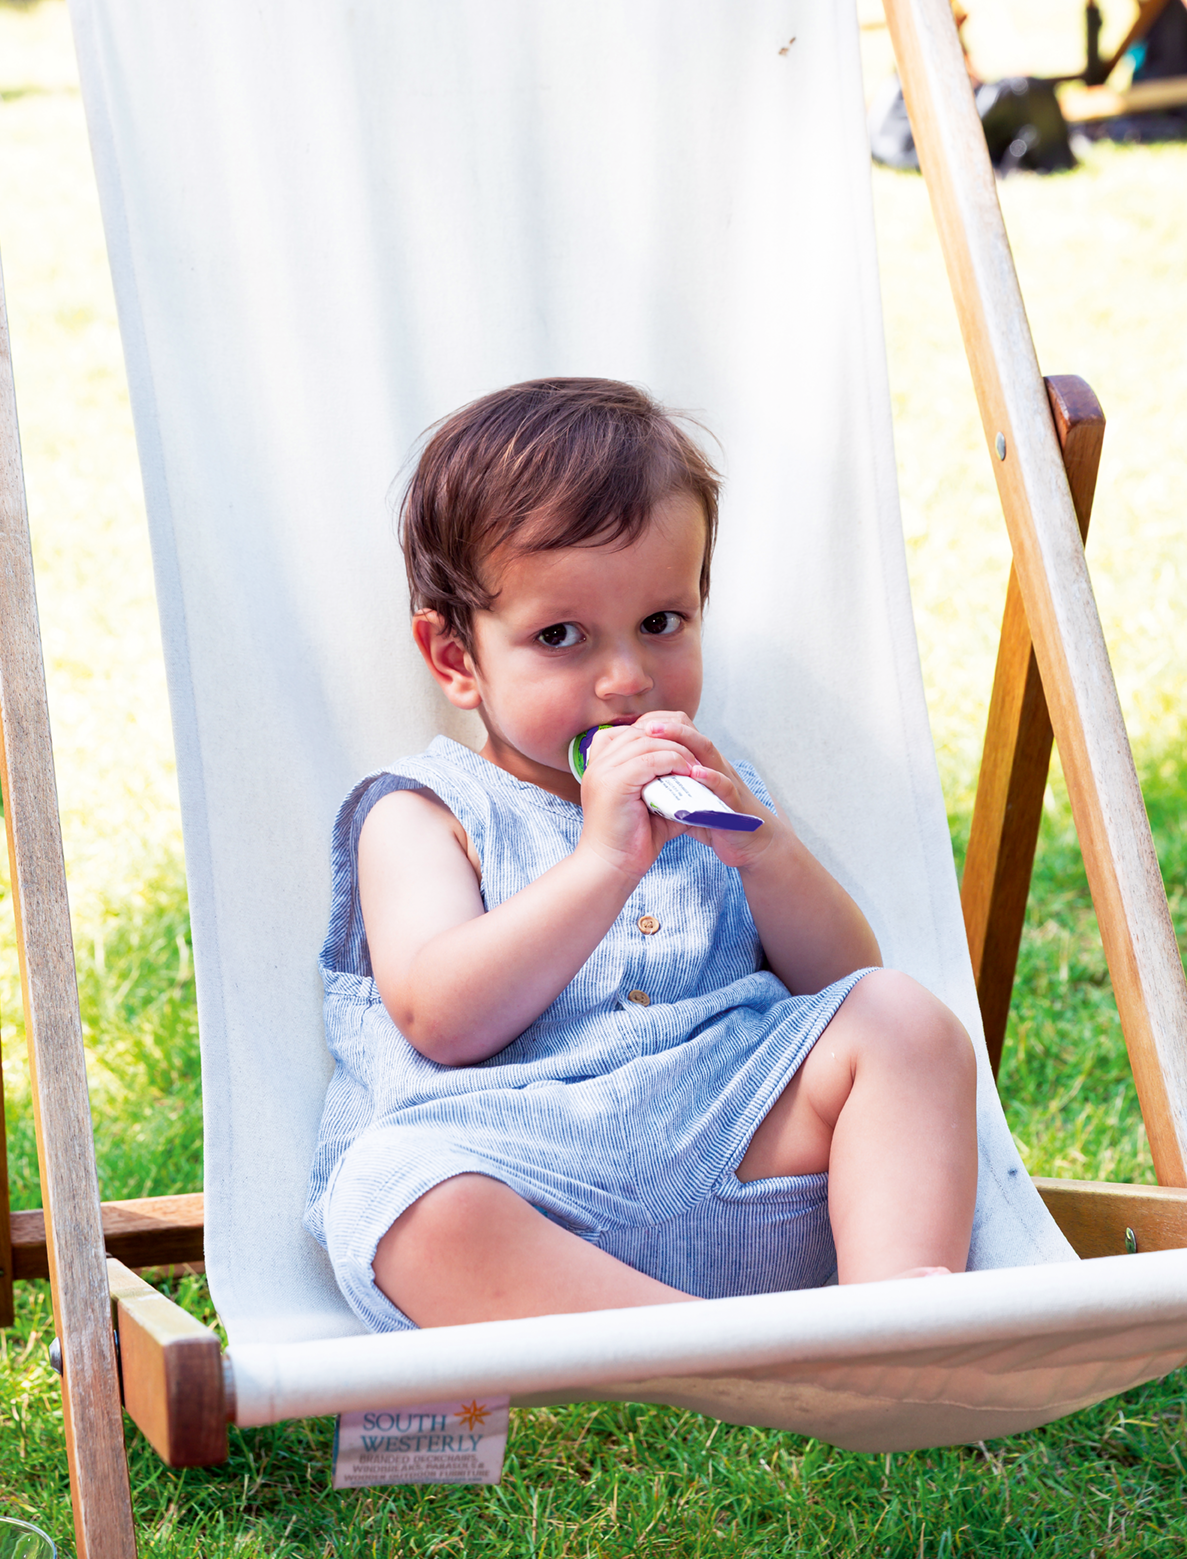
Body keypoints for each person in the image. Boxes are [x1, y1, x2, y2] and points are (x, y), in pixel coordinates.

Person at [305, 378, 978, 1333]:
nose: (625, 679)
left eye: (661, 623)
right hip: (532, 1184)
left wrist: (765, 850)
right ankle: (733, 1358)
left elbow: (841, 975)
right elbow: (443, 1019)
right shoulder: (424, 813)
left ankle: (891, 1326)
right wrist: (600, 862)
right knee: (398, 1198)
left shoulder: (712, 785)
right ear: (456, 658)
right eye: (560, 636)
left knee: (902, 1019)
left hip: (733, 1149)